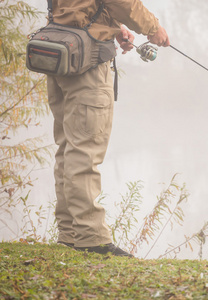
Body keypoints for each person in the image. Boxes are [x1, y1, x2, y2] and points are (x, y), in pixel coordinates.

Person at [47, 0, 170, 257]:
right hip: (87, 63)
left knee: (69, 147)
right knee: (85, 150)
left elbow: (78, 8)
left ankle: (70, 233)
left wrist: (112, 28)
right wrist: (153, 27)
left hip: (61, 52)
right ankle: (91, 239)